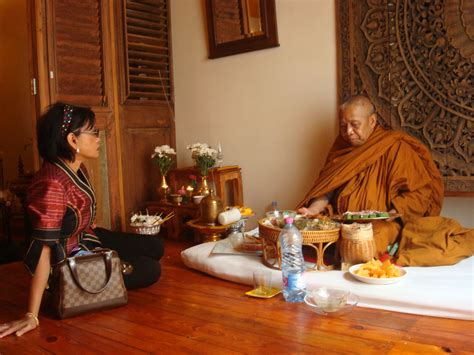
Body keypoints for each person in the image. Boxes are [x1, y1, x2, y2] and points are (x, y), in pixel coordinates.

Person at [0, 103, 164, 338]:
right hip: (68, 263)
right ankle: (68, 287)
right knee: (151, 269)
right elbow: (44, 250)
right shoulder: (51, 185)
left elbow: (75, 212)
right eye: (93, 132)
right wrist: (31, 314)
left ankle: (114, 256)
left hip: (85, 237)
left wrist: (86, 224)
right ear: (72, 140)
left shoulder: (77, 168)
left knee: (155, 246)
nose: (99, 138)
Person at [297, 95, 473, 265]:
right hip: (341, 220)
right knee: (299, 233)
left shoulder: (396, 147)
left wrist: (395, 210)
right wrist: (313, 210)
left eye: (355, 125)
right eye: (343, 126)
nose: (348, 132)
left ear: (372, 121)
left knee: (368, 242)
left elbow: (421, 192)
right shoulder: (340, 148)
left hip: (381, 224)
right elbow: (327, 190)